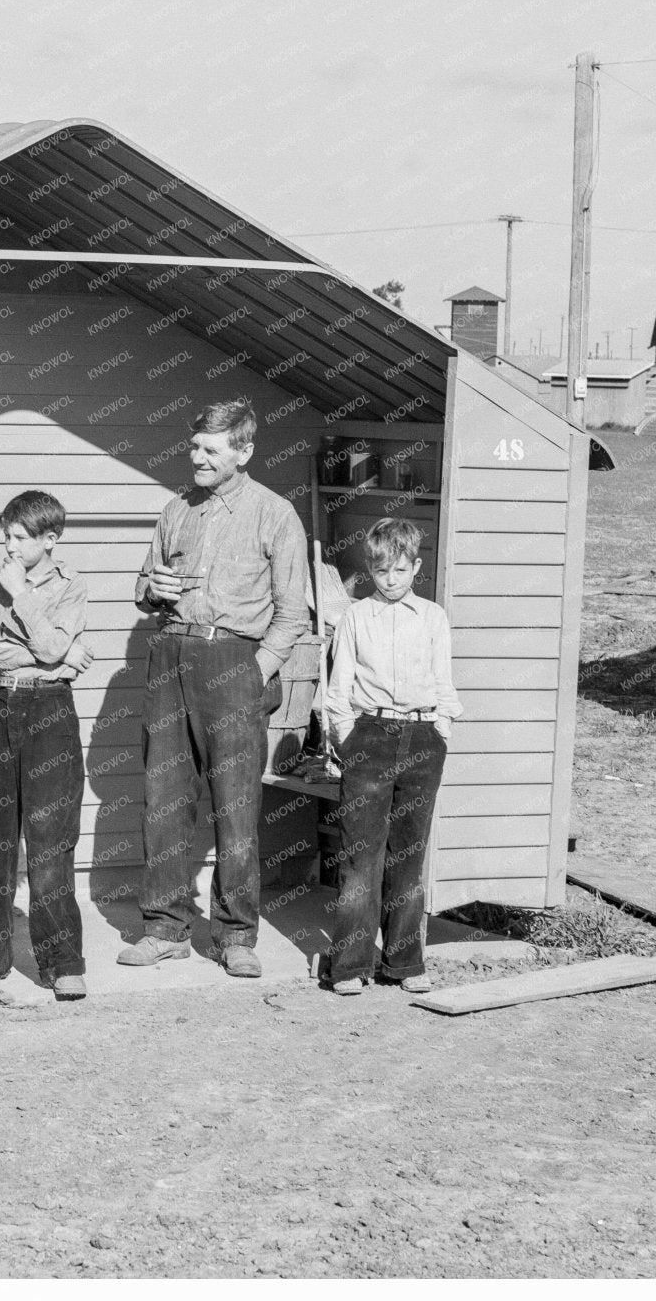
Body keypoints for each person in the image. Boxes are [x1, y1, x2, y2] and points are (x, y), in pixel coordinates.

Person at [122, 398, 310, 979]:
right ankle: (164, 927)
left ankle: (235, 936)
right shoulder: (176, 510)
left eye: (210, 449)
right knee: (165, 799)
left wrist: (258, 669)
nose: (196, 458)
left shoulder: (275, 514)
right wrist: (153, 590)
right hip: (171, 652)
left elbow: (292, 612)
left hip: (235, 661)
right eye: (194, 446)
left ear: (244, 451)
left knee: (235, 807)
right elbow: (142, 589)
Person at [0, 490, 95, 997]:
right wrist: (56, 651)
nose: (7, 547)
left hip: (48, 711)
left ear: (49, 539)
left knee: (50, 842)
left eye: (17, 538)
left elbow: (53, 649)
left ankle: (62, 964)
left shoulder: (70, 587)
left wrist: (34, 617)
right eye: (5, 536)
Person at [321, 517, 462, 996]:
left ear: (416, 567)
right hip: (371, 737)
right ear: (371, 570)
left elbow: (445, 684)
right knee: (361, 859)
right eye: (382, 572)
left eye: (400, 571)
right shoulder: (356, 617)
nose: (391, 581)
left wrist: (441, 729)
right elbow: (337, 690)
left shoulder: (434, 617)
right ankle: (348, 967)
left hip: (423, 739)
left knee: (408, 855)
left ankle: (403, 963)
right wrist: (348, 737)